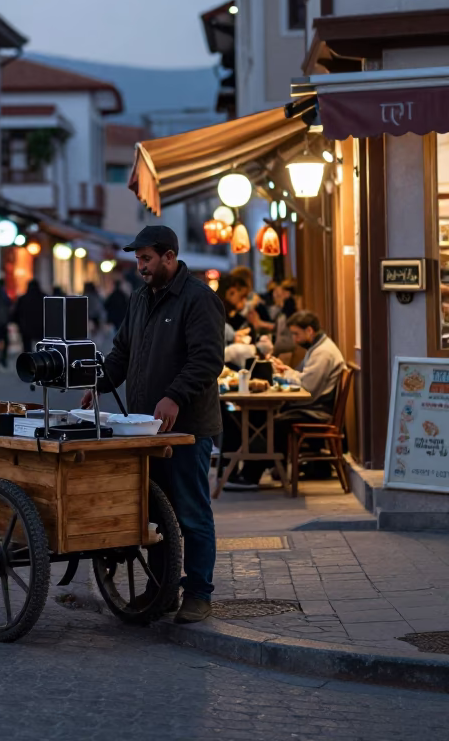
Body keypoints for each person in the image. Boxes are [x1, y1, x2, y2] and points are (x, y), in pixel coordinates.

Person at [82, 225, 225, 624]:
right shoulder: (141, 299)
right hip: (142, 429)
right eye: (138, 259)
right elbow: (123, 351)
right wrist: (100, 383)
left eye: (146, 259)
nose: (140, 266)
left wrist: (175, 395)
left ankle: (198, 593)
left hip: (186, 428)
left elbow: (208, 360)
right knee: (156, 514)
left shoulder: (199, 300)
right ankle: (161, 588)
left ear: (169, 256)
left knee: (192, 512)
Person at [222, 310, 346, 490]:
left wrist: (286, 373)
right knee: (265, 419)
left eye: (297, 334)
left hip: (316, 409)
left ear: (309, 330)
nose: (295, 339)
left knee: (272, 423)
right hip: (314, 405)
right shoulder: (319, 347)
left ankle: (251, 475)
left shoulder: (323, 352)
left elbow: (308, 387)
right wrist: (286, 370)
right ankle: (265, 467)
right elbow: (305, 377)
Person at [12, 279, 45, 353]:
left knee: (27, 349)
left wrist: (19, 324)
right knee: (42, 348)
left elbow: (16, 313)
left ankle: (29, 362)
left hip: (26, 328)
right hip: (41, 327)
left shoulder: (23, 299)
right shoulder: (44, 298)